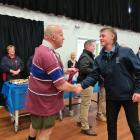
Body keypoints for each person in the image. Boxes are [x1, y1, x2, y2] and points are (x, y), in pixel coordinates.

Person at [76, 27, 140, 140]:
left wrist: (137, 91)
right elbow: (93, 76)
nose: (100, 38)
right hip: (111, 98)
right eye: (100, 36)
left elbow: (139, 72)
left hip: (129, 97)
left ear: (112, 36)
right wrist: (81, 85)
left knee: (134, 127)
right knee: (111, 127)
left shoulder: (126, 52)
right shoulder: (99, 58)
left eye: (103, 35)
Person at [26, 25, 79, 140]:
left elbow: (46, 71)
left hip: (37, 99)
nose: (63, 38)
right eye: (61, 35)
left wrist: (65, 70)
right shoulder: (48, 55)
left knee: (35, 125)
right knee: (46, 132)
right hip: (45, 102)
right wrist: (75, 88)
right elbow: (61, 85)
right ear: (53, 37)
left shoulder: (41, 49)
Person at [76, 40, 97, 136]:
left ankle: (81, 121)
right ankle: (85, 127)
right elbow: (83, 68)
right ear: (87, 46)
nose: (94, 48)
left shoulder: (87, 55)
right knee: (85, 104)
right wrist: (95, 71)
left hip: (86, 83)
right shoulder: (85, 56)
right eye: (93, 46)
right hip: (86, 83)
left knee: (85, 103)